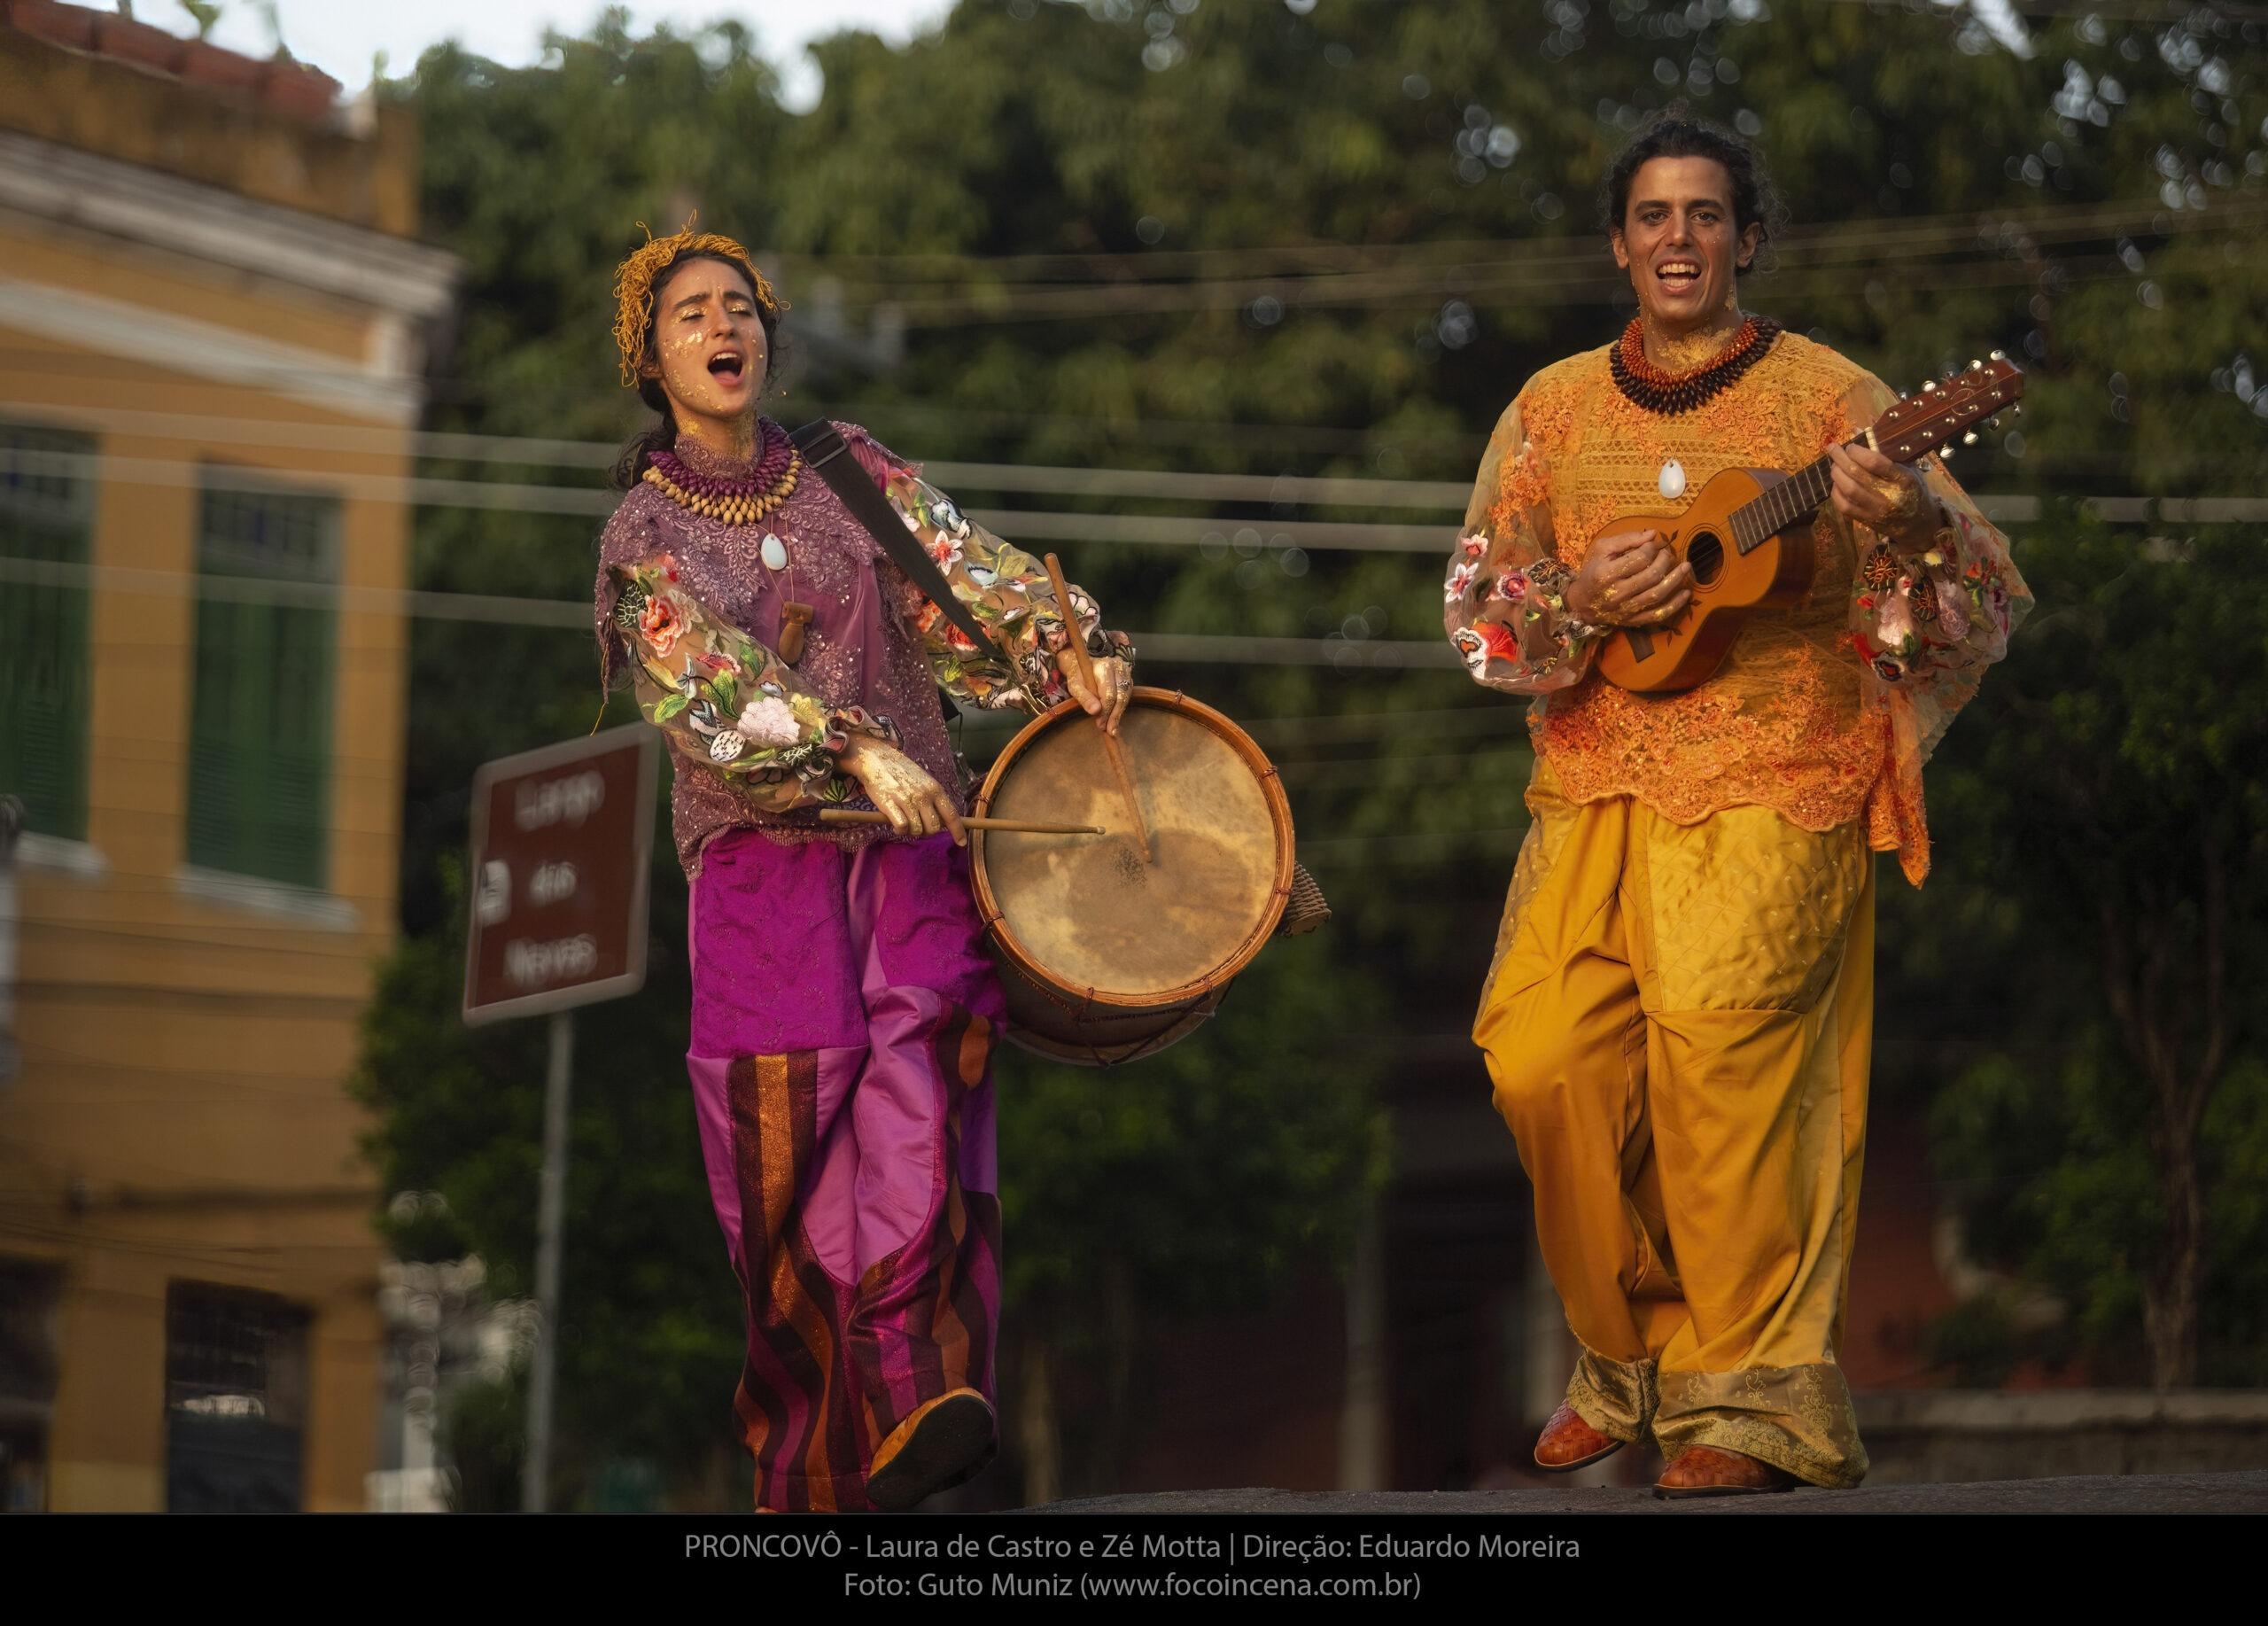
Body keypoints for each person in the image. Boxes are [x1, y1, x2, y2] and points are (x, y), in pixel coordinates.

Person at [1443, 116, 2030, 1496]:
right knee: (1541, 1065)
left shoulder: (1836, 402)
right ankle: (1628, 1361)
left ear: (1747, 240)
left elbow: (1972, 600)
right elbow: (1477, 615)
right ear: (1619, 243)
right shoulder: (1547, 408)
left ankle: (1753, 1401)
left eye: (1707, 215)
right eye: (1653, 215)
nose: (1679, 239)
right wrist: (1574, 602)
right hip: (1592, 785)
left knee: (1726, 1078)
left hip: (1776, 778)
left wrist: (1909, 521)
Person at [594, 222, 1133, 1513]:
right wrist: (847, 754)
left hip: (910, 857)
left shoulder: (848, 467)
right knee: (789, 1143)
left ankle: (912, 1398)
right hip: (759, 874)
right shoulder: (638, 530)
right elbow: (700, 680)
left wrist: (1073, 649)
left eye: (742, 307)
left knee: (920, 1101)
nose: (725, 329)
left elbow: (970, 582)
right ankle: (815, 1460)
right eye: (690, 316)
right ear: (650, 362)